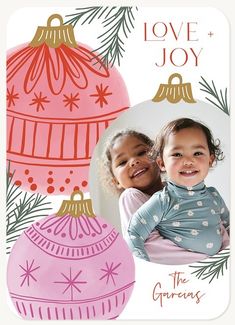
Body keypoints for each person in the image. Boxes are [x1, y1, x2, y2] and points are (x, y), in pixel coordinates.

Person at [100, 128, 229, 264]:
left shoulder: (182, 190)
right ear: (115, 181)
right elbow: (153, 248)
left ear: (159, 159)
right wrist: (209, 260)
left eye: (141, 152)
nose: (133, 161)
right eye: (122, 162)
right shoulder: (131, 197)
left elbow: (218, 226)